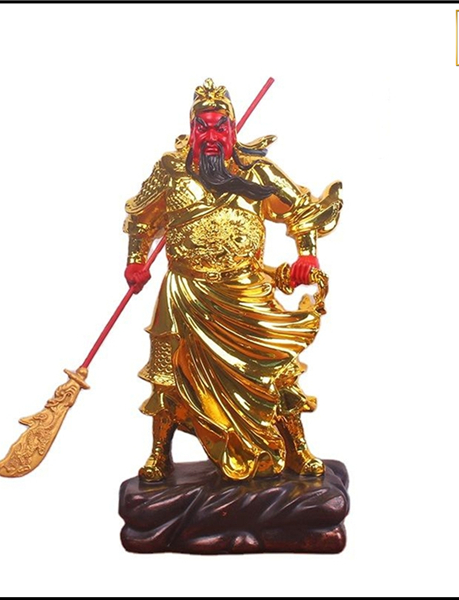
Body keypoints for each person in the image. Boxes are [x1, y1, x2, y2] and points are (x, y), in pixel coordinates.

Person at [123, 78, 343, 482]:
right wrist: (136, 261)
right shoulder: (171, 171)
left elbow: (301, 209)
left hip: (246, 291)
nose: (210, 136)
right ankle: (159, 453)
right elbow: (141, 217)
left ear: (232, 129)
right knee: (169, 377)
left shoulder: (259, 173)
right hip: (186, 295)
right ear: (191, 129)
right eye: (202, 127)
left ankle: (297, 448)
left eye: (219, 127)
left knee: (276, 367)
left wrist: (306, 254)